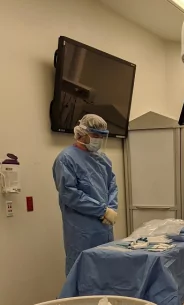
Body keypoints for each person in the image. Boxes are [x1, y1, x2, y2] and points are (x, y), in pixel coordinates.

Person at [52, 114, 118, 276]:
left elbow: (112, 185)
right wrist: (101, 210)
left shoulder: (103, 159)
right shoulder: (66, 159)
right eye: (95, 135)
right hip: (81, 230)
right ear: (81, 133)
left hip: (104, 227)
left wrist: (111, 208)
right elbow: (69, 193)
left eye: (102, 136)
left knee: (106, 270)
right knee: (83, 272)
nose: (99, 140)